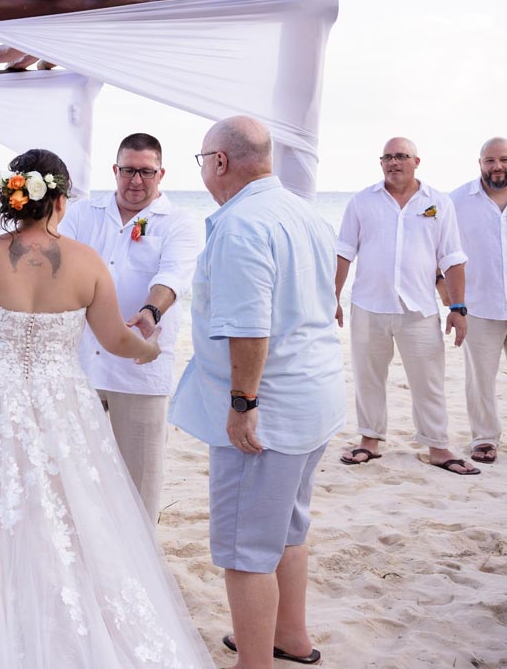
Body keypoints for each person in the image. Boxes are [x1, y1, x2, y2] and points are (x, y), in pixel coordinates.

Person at [0, 149, 211, 668]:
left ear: (12, 198)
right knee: (66, 509)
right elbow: (114, 340)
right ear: (62, 201)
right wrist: (149, 350)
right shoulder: (87, 262)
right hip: (61, 399)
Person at [170, 115, 344, 669]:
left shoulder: (242, 224)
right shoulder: (306, 213)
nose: (204, 169)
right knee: (288, 528)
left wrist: (243, 404)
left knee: (245, 549)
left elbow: (250, 326)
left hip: (271, 409)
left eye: (203, 160)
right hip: (315, 397)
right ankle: (290, 636)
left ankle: (255, 662)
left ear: (220, 161)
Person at [59, 133, 200, 521]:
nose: (136, 180)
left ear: (161, 174)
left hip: (139, 369)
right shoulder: (82, 214)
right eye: (128, 171)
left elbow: (173, 276)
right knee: (74, 477)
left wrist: (150, 311)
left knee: (140, 485)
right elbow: (59, 267)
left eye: (146, 172)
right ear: (115, 170)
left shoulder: (178, 223)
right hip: (80, 365)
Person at [334, 138, 478, 475]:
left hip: (419, 308)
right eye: (387, 157)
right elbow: (344, 251)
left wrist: (458, 307)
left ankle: (438, 446)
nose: (393, 162)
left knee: (429, 380)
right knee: (368, 377)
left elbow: (452, 257)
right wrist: (333, 298)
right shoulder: (361, 201)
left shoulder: (438, 202)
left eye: (401, 156)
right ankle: (369, 440)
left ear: (416, 161)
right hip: (369, 304)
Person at [450, 137, 507, 465]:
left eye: (504, 159)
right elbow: (441, 249)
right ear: (480, 163)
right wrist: (450, 299)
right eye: (490, 160)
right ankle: (484, 439)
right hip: (480, 305)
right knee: (480, 379)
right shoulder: (457, 201)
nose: (497, 166)